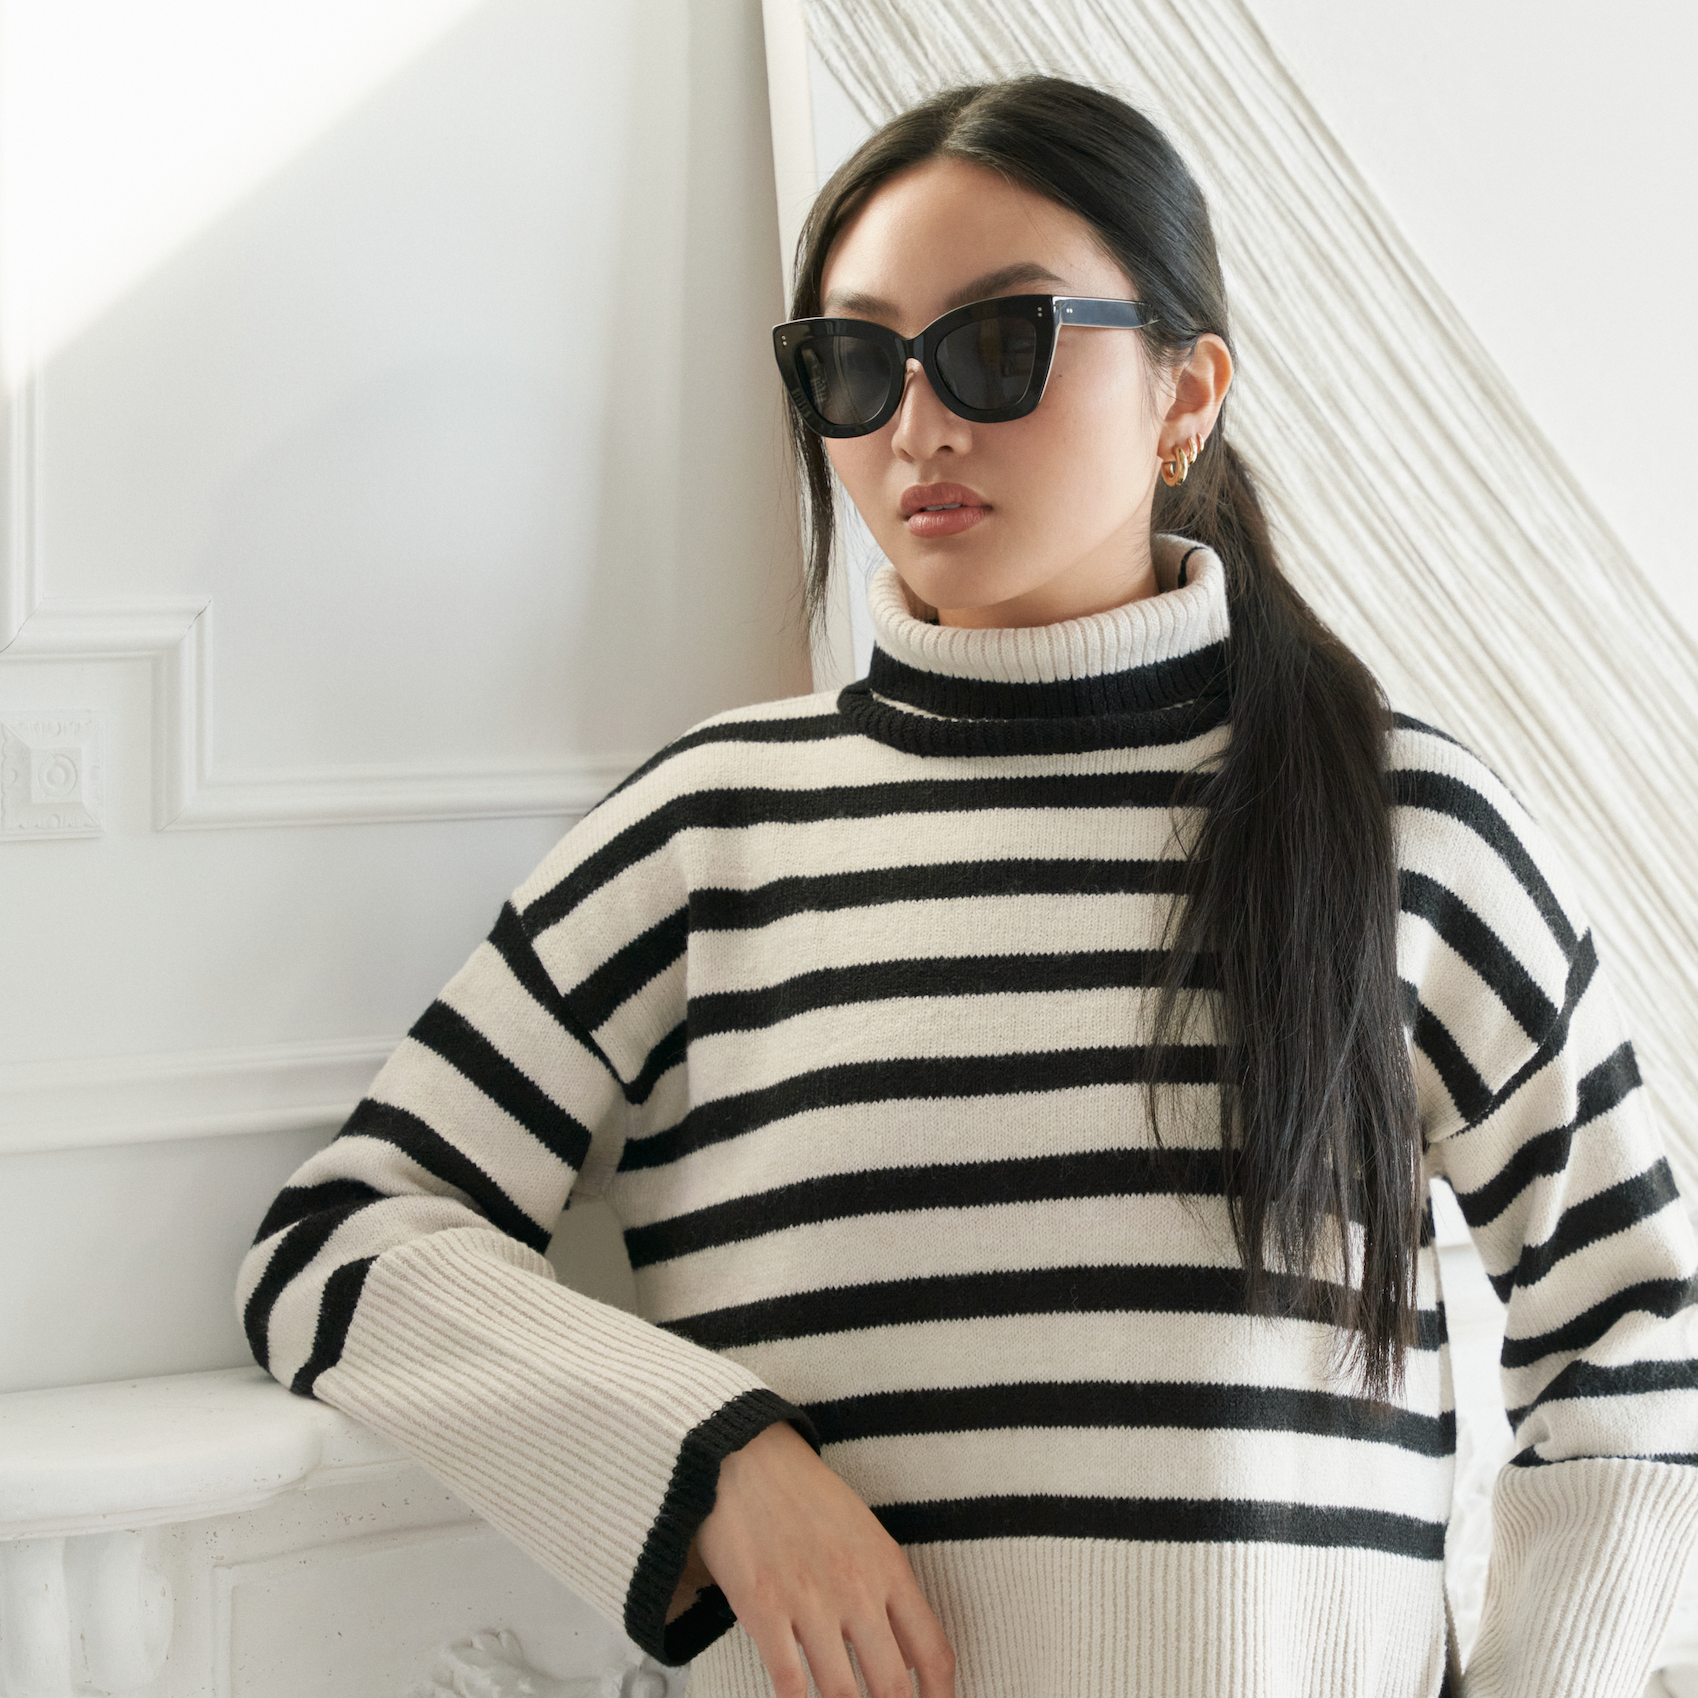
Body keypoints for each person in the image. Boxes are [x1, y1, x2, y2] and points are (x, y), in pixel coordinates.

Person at [237, 74, 1698, 1698]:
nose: (917, 424)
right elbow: (334, 1244)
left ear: (1183, 394)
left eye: (999, 346)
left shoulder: (1404, 828)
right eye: (853, 365)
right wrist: (715, 1467)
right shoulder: (706, 834)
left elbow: (1641, 1338)